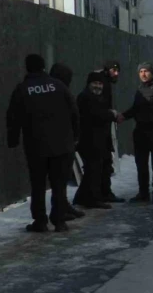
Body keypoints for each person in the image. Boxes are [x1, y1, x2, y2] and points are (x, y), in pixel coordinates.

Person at [7, 54, 79, 232]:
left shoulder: (23, 89)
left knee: (38, 185)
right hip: (62, 145)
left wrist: (13, 139)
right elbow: (74, 112)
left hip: (36, 145)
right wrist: (75, 136)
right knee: (59, 184)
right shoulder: (59, 86)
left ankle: (40, 221)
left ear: (27, 68)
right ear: (44, 67)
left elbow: (13, 116)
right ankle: (59, 220)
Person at [120, 62, 153, 204]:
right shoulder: (140, 90)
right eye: (141, 71)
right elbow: (135, 109)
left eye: (146, 71)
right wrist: (123, 116)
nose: (143, 74)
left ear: (152, 73)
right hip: (140, 131)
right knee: (141, 164)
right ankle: (143, 193)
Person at [73, 72, 119, 209]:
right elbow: (94, 115)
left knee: (95, 170)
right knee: (93, 170)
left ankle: (83, 198)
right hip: (89, 141)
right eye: (95, 83)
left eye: (100, 84)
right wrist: (111, 114)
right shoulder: (85, 97)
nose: (98, 86)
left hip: (99, 140)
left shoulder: (98, 98)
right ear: (89, 84)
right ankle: (92, 199)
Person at [48, 63, 86, 220]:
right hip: (63, 141)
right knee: (59, 179)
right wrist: (76, 137)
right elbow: (74, 116)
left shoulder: (49, 90)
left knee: (57, 180)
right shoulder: (63, 92)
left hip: (47, 141)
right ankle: (59, 211)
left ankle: (61, 207)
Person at [95, 60, 125, 202]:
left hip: (102, 128)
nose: (116, 73)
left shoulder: (103, 82)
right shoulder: (102, 83)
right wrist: (113, 115)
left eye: (118, 70)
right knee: (104, 162)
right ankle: (103, 193)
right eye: (114, 70)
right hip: (100, 130)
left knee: (104, 162)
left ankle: (102, 192)